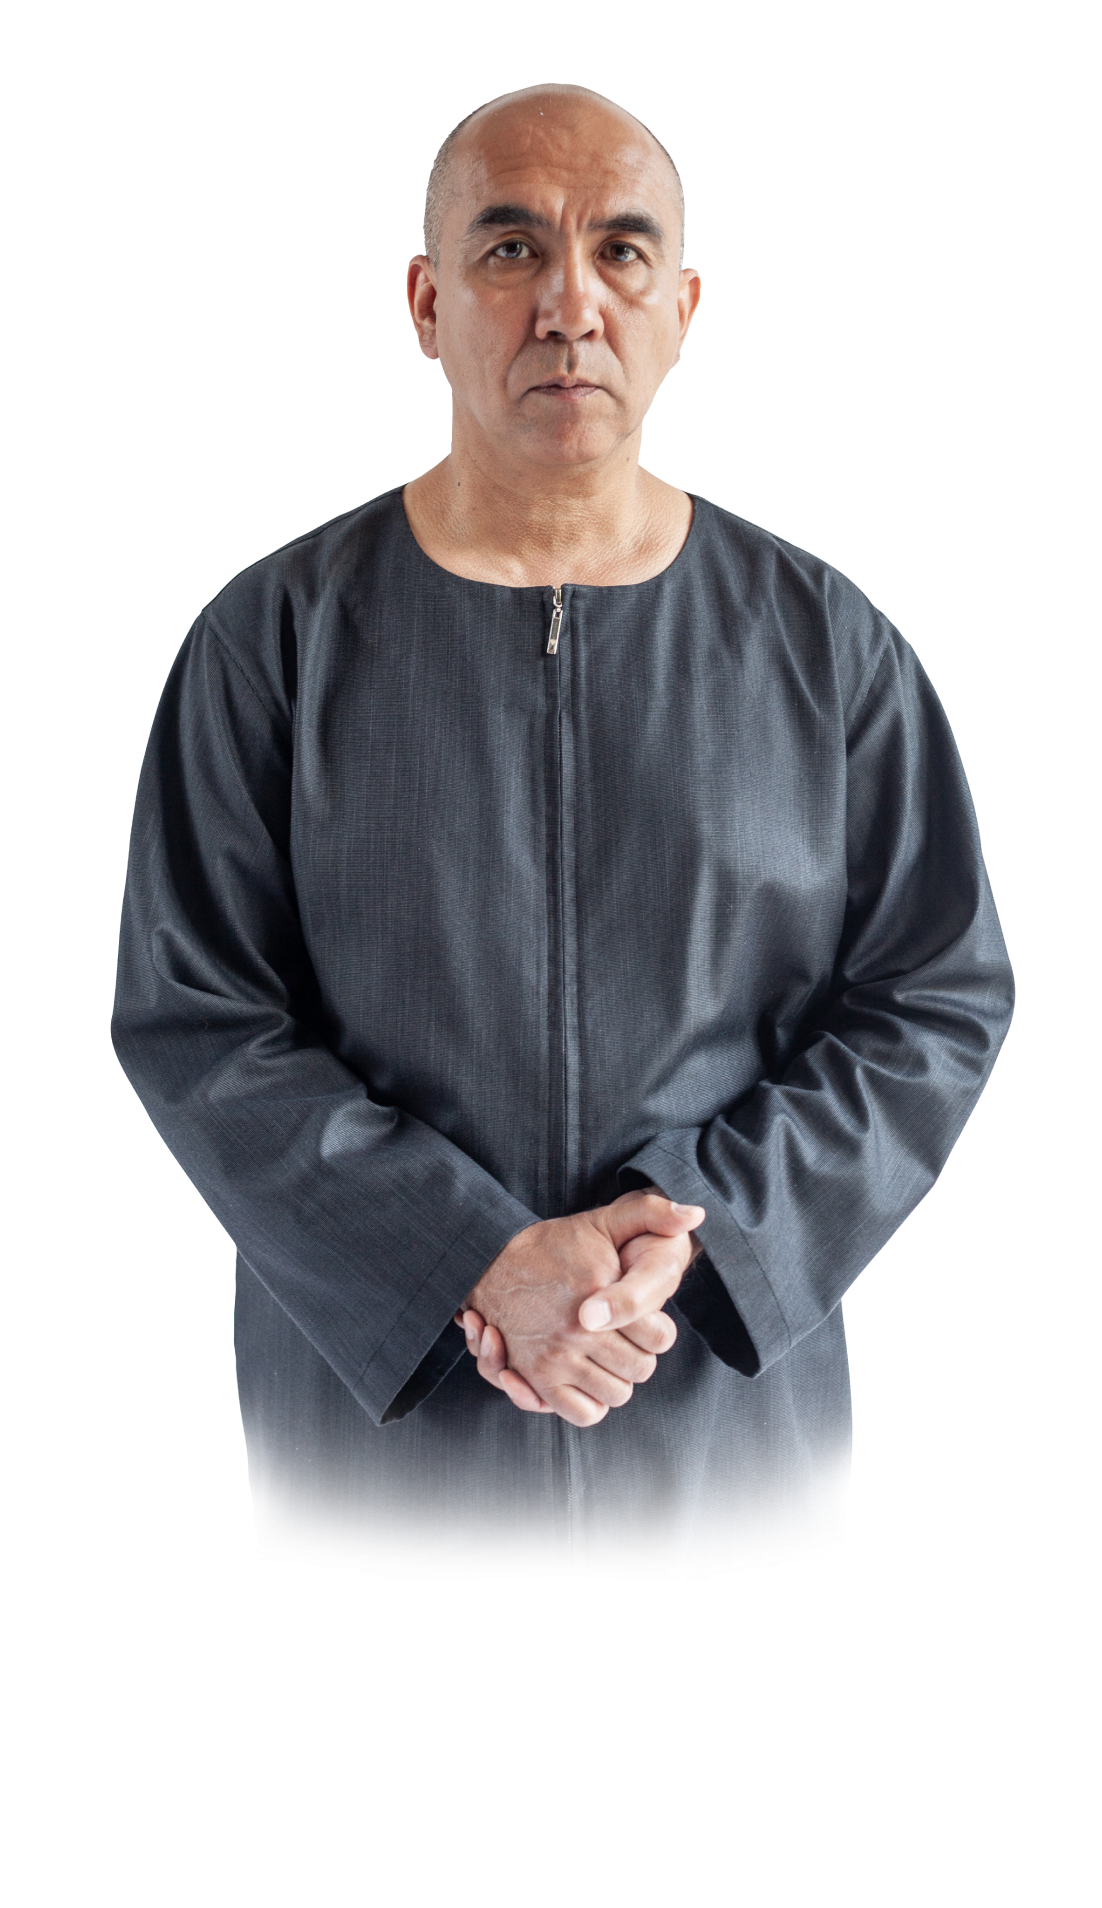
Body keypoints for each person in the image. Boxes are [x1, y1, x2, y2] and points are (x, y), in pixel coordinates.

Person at [111, 82, 1015, 1583]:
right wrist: (467, 1252)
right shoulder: (270, 642)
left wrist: (700, 1237)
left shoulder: (828, 647)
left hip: (720, 1453)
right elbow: (197, 1019)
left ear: (682, 310)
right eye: (513, 248)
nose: (570, 305)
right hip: (377, 1480)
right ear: (426, 302)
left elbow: (935, 1000)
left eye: (622, 252)